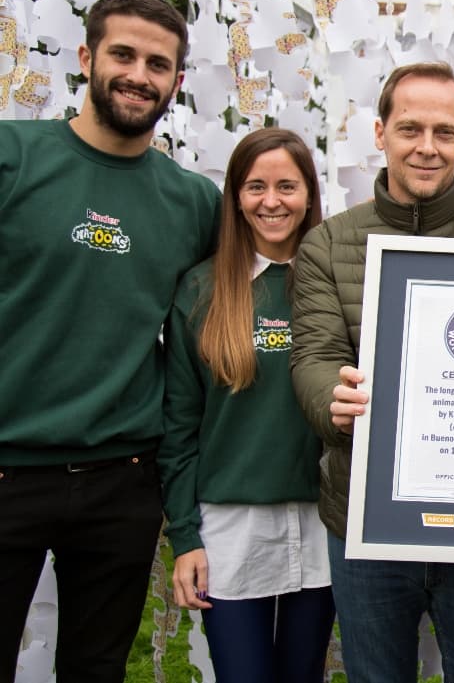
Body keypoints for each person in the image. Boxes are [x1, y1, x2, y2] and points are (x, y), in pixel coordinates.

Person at [0, 0, 220, 682]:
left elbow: (223, 323)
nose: (139, 74)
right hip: (7, 465)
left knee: (97, 667)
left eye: (159, 63)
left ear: (177, 82)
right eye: (123, 54)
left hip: (122, 476)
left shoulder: (193, 202)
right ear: (87, 56)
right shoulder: (13, 158)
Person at [290, 61, 454, 683]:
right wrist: (333, 401)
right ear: (380, 132)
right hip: (366, 521)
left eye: (445, 132)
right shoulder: (327, 243)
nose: (427, 147)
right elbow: (314, 357)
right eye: (410, 129)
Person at [157, 128, 332, 682]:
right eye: (255, 187)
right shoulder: (201, 291)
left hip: (320, 521)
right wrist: (184, 537)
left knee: (303, 675)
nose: (272, 201)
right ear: (235, 196)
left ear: (309, 194)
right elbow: (178, 428)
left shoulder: (334, 287)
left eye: (287, 185)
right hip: (230, 528)